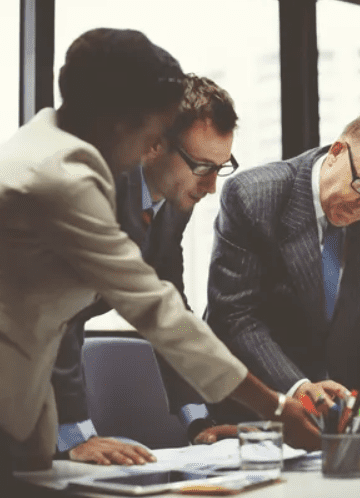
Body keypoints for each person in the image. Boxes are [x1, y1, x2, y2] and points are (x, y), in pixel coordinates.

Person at [0, 28, 317, 498]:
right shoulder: (63, 174)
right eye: (152, 133)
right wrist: (273, 407)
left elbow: (45, 318)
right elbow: (153, 307)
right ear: (119, 122)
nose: (152, 148)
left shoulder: (55, 148)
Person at [205, 110, 360, 434]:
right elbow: (234, 316)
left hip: (352, 400)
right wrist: (298, 386)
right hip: (268, 398)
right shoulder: (254, 196)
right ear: (337, 153)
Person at [52, 74, 240, 466]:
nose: (211, 188)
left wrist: (199, 422)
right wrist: (75, 434)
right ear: (154, 144)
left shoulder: (171, 204)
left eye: (220, 168)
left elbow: (167, 310)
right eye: (202, 167)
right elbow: (56, 313)